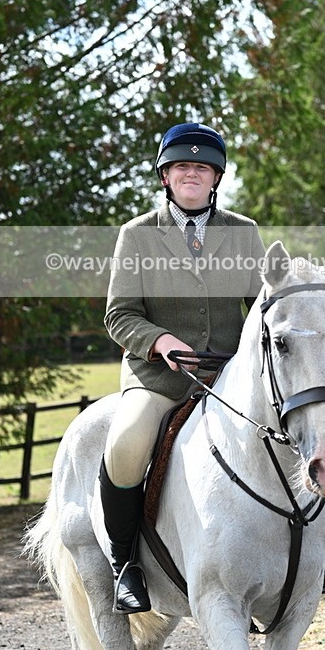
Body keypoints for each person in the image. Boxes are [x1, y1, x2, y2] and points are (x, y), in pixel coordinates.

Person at [100, 122, 265, 614]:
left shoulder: (244, 232)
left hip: (229, 376)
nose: (192, 173)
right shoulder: (136, 235)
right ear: (166, 177)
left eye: (202, 167)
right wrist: (160, 342)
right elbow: (119, 315)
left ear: (216, 178)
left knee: (297, 429)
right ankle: (125, 563)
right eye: (181, 166)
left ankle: (311, 555)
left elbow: (262, 307)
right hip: (160, 377)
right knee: (127, 441)